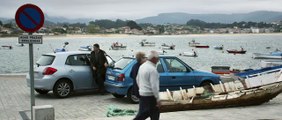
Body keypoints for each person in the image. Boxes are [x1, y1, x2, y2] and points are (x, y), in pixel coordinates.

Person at [134, 51, 160, 120]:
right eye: (158, 58)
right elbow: (154, 86)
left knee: (143, 114)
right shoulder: (153, 70)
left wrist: (141, 89)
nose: (158, 60)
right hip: (150, 96)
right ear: (153, 59)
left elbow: (137, 79)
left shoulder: (142, 66)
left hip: (143, 94)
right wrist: (157, 98)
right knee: (152, 114)